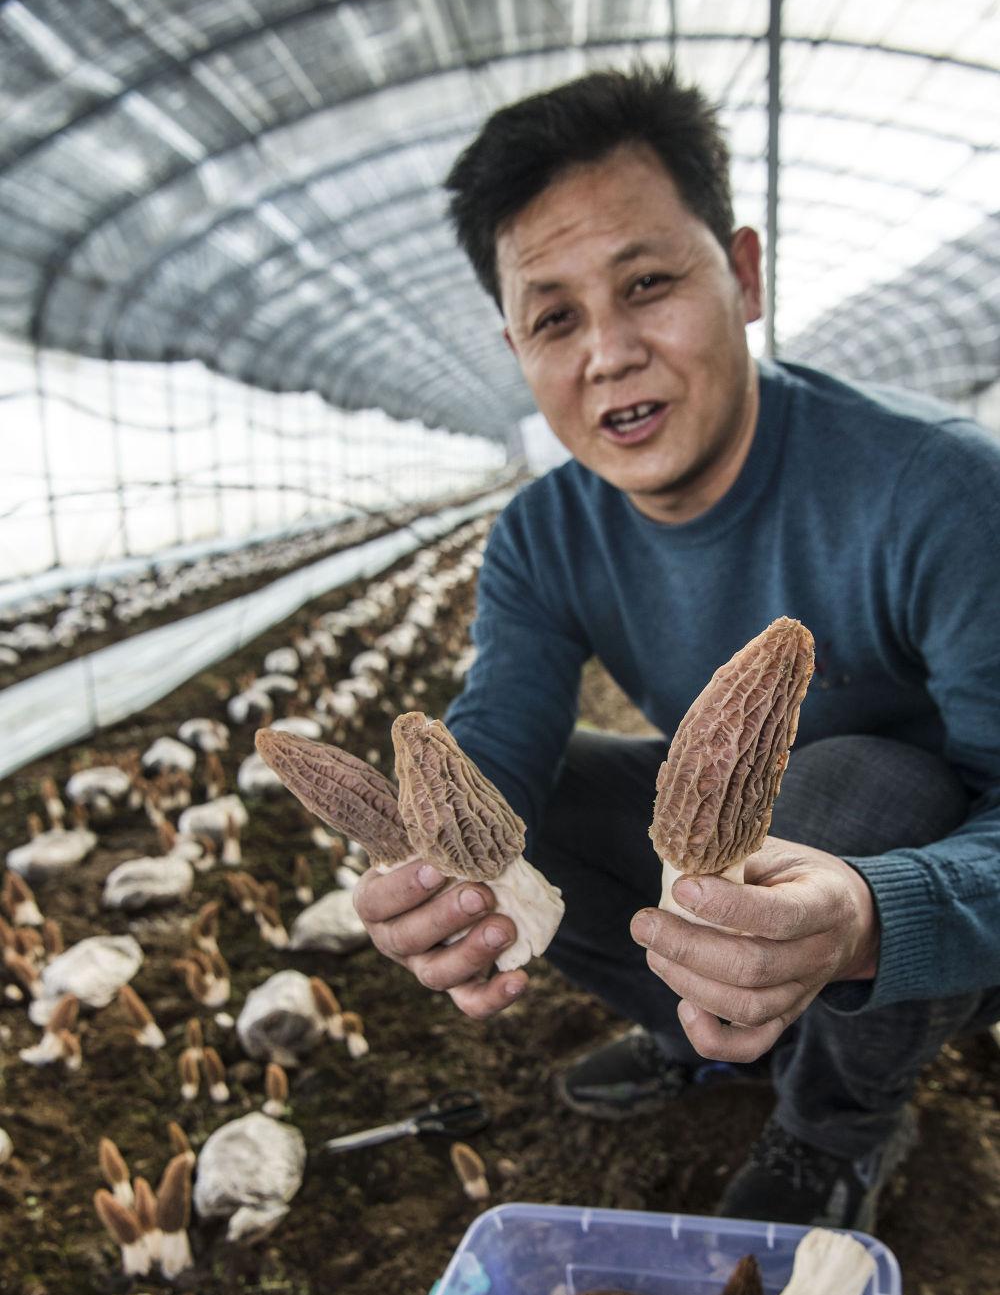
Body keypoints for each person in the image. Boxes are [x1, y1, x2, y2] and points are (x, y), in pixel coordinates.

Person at [352, 64, 1000, 1229]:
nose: (608, 351)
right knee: (526, 803)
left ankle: (837, 1123)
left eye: (646, 283)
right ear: (516, 347)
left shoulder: (935, 488)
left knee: (869, 785)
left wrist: (865, 914)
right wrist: (443, 867)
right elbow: (500, 727)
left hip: (931, 901)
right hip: (773, 851)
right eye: (554, 317)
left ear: (742, 274)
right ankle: (710, 1038)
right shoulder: (543, 533)